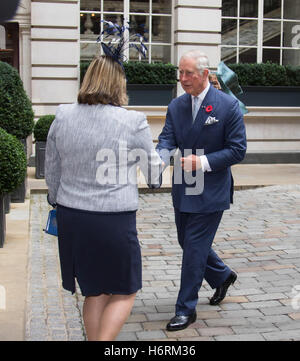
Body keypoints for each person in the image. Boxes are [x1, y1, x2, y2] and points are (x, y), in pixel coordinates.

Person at [45, 55, 161, 341]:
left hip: (72, 217)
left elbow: (52, 169)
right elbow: (154, 173)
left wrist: (56, 199)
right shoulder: (133, 121)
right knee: (125, 289)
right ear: (118, 84)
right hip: (113, 220)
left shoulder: (63, 115)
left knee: (94, 291)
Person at [156, 50, 247, 331]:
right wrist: (154, 161)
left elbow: (237, 150)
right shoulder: (176, 106)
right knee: (188, 242)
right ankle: (222, 276)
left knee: (194, 248)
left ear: (205, 75)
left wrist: (204, 162)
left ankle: (186, 309)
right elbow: (166, 141)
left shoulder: (227, 106)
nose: (183, 79)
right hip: (184, 186)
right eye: (180, 73)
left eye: (189, 74)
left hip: (211, 189)